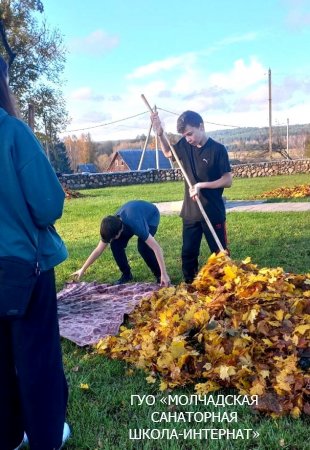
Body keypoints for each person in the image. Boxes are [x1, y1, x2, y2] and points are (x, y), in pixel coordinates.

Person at [0, 55, 70, 450]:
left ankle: (7, 436)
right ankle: (46, 437)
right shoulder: (12, 132)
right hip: (24, 270)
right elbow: (48, 204)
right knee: (37, 359)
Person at [151, 110, 233, 283]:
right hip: (190, 213)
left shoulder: (217, 149)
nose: (188, 138)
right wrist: (159, 134)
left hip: (213, 211)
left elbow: (227, 180)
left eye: (190, 133)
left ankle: (226, 287)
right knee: (188, 254)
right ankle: (190, 286)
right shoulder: (185, 145)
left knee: (220, 254)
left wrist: (201, 186)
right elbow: (168, 153)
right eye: (184, 135)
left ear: (201, 127)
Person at [71, 200, 171, 286]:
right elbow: (98, 250)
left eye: (113, 237)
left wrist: (164, 273)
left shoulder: (136, 225)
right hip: (133, 215)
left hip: (151, 215)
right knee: (115, 245)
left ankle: (159, 275)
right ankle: (126, 274)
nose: (110, 240)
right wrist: (83, 269)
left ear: (120, 230)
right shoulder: (110, 226)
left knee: (143, 247)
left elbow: (157, 248)